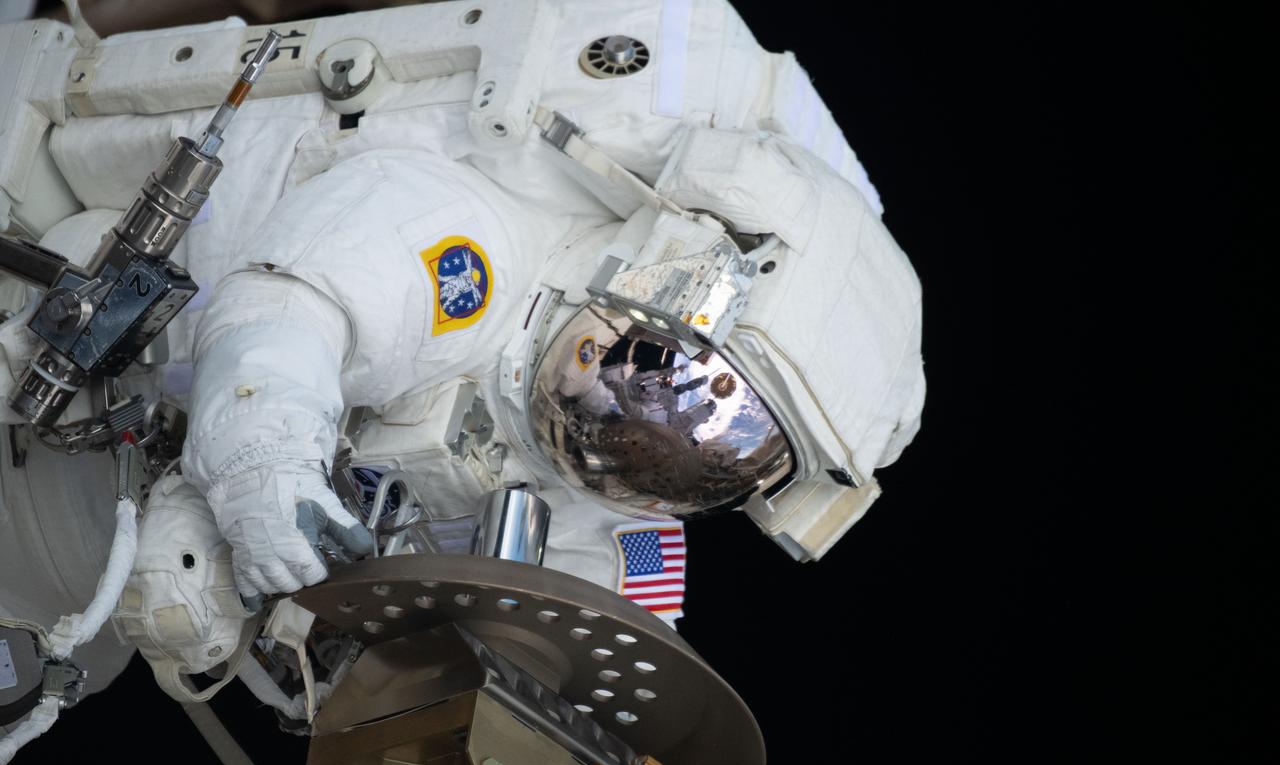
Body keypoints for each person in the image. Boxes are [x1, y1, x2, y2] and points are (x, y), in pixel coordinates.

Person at [0, 0, 924, 711]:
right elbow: (294, 305)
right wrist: (261, 459)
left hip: (100, 507)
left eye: (719, 460)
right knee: (167, 578)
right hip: (87, 337)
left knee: (164, 604)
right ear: (664, 277)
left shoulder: (604, 501)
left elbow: (590, 622)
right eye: (670, 384)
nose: (659, 441)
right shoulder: (480, 254)